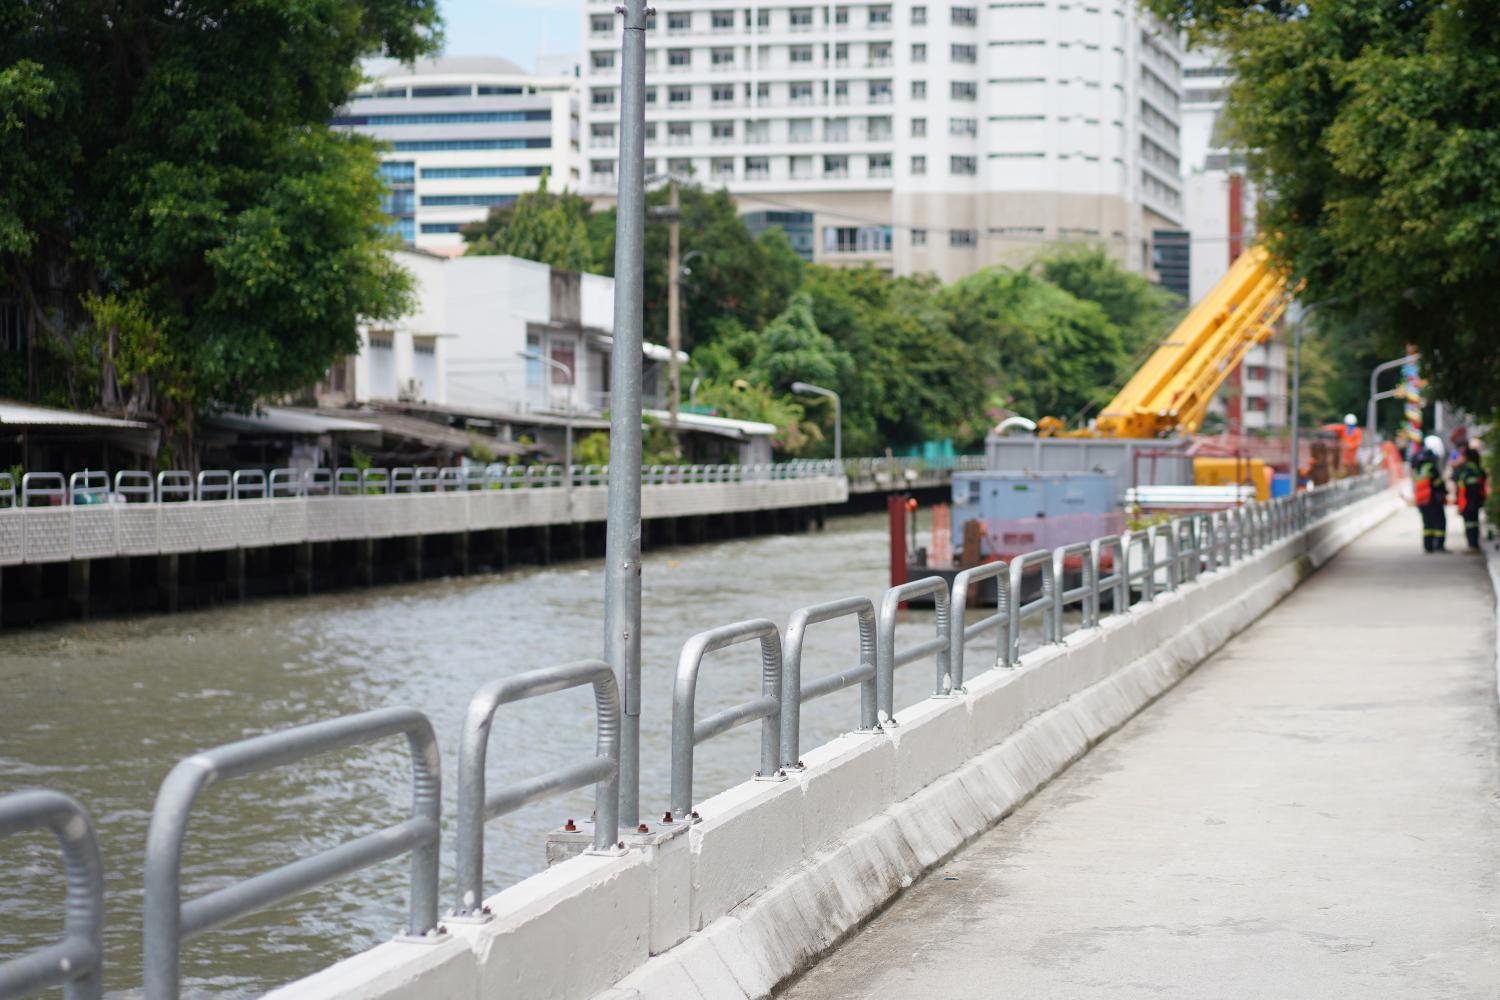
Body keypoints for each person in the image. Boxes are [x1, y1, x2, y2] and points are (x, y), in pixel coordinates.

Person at [1413, 434, 1448, 552]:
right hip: (1433, 499)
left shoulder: (1420, 467)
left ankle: (1428, 546)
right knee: (1440, 521)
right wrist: (1445, 490)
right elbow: (1437, 483)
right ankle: (1439, 546)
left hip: (1422, 499)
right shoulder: (1431, 467)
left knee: (1427, 523)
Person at [1454, 446, 1487, 551]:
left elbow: (1472, 487)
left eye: (1461, 456)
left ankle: (1473, 545)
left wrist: (1471, 503)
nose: (1459, 458)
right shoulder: (1470, 467)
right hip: (1469, 501)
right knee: (1471, 523)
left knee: (1471, 524)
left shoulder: (1469, 468)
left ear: (1466, 457)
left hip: (1469, 501)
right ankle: (1472, 545)